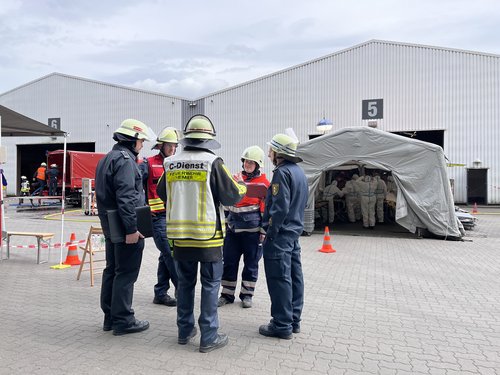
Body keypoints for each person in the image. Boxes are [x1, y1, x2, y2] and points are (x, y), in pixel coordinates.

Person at [160, 114, 246, 353]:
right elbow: (232, 195)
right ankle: (209, 336)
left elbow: (162, 193)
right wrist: (242, 185)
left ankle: (184, 330)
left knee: (185, 283)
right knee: (210, 284)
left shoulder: (171, 163)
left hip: (180, 235)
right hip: (208, 237)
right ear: (208, 140)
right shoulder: (212, 162)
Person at [95, 119, 155, 336]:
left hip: (111, 227)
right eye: (141, 141)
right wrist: (131, 229)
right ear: (133, 140)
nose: (142, 145)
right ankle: (123, 320)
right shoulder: (126, 161)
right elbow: (127, 197)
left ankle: (110, 317)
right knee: (126, 273)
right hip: (125, 228)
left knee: (112, 270)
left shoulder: (107, 159)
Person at [259, 133, 308, 340]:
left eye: (271, 150)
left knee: (279, 279)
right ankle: (293, 320)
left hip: (279, 236)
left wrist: (269, 232)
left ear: (278, 153)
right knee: (294, 277)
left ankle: (281, 324)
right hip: (293, 234)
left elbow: (279, 209)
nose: (268, 153)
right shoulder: (299, 172)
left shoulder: (281, 173)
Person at [218, 146, 270, 309]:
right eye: (246, 161)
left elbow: (265, 209)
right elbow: (227, 203)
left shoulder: (263, 184)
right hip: (233, 232)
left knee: (251, 264)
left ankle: (247, 295)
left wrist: (263, 231)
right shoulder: (235, 179)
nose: (247, 164)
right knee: (229, 263)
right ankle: (226, 294)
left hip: (252, 233)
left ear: (258, 165)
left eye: (251, 162)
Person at [140, 127, 180, 307]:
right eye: (169, 146)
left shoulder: (177, 163)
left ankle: (160, 293)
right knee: (170, 254)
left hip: (174, 217)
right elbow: (136, 187)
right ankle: (182, 288)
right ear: (161, 146)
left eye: (175, 146)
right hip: (157, 218)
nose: (172, 149)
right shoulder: (148, 163)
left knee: (165, 255)